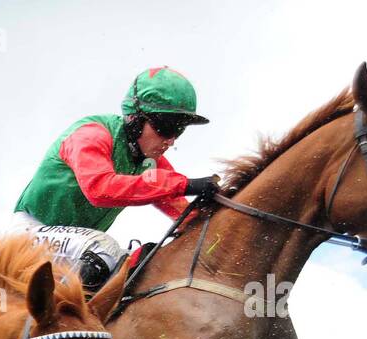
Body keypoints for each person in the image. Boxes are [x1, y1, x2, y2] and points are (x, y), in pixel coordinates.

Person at [12, 66, 220, 290]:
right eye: (166, 127)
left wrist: (218, 224)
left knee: (143, 266)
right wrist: (186, 184)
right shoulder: (91, 135)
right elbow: (100, 189)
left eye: (179, 130)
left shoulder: (148, 159)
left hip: (73, 245)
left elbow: (183, 211)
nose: (171, 141)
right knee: (106, 251)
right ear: (134, 119)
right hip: (28, 234)